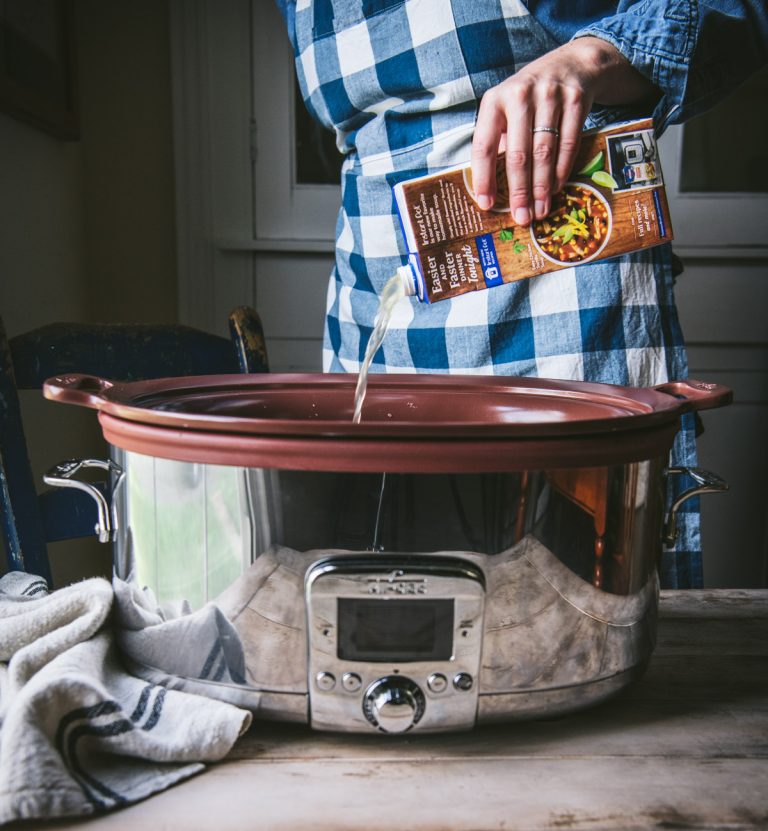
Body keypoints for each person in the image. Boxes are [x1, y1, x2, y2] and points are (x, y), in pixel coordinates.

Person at [274, 0, 768, 588]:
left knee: (565, 593)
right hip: (375, 282)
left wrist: (590, 58)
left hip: (555, 292)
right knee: (381, 586)